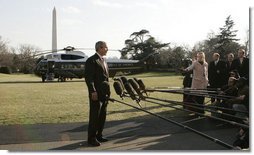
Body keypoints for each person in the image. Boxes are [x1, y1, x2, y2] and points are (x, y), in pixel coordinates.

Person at [84, 41, 110, 146]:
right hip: (96, 94)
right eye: (106, 47)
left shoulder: (104, 60)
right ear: (100, 48)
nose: (107, 49)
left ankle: (99, 135)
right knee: (95, 115)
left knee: (102, 115)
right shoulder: (91, 60)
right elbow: (89, 78)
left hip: (105, 94)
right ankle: (91, 138)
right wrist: (92, 91)